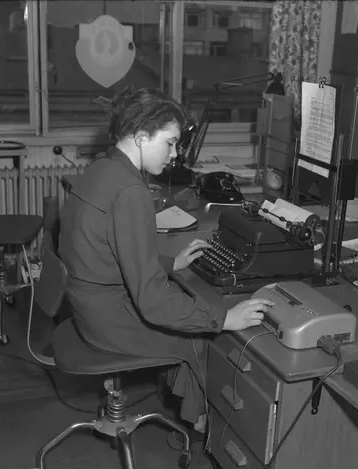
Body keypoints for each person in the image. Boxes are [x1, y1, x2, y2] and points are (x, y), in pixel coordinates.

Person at [58, 86, 273, 436]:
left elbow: (109, 250)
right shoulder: (131, 191)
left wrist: (171, 264)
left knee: (188, 304)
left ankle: (191, 409)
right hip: (106, 321)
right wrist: (224, 318)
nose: (174, 154)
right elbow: (154, 303)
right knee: (199, 334)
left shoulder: (101, 169)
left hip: (85, 307)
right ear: (142, 136)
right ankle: (205, 429)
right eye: (170, 142)